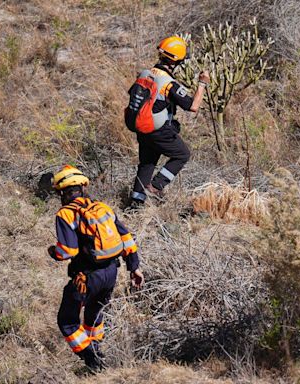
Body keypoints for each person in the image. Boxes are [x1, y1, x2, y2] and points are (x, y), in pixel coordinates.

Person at [48, 165, 144, 371]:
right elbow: (126, 237)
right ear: (83, 187)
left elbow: (68, 251)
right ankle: (98, 351)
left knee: (67, 321)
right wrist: (134, 267)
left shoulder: (66, 214)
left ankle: (93, 361)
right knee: (94, 314)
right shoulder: (103, 208)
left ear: (61, 192)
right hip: (111, 273)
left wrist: (53, 252)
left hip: (87, 277)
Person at [130, 35, 210, 207]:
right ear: (175, 62)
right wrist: (202, 84)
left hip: (142, 128)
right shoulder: (169, 83)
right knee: (182, 154)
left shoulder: (144, 74)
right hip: (158, 130)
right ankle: (157, 185)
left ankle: (135, 204)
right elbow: (193, 106)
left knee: (147, 163)